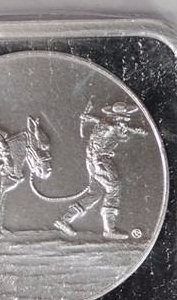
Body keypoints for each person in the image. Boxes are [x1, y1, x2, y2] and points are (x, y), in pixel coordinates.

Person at [54, 101, 147, 240]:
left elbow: (119, 133)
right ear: (117, 116)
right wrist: (132, 130)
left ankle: (65, 220)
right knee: (113, 189)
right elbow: (115, 131)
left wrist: (91, 118)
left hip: (93, 161)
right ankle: (109, 229)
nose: (125, 119)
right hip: (101, 162)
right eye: (123, 116)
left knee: (95, 194)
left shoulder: (105, 124)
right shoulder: (109, 126)